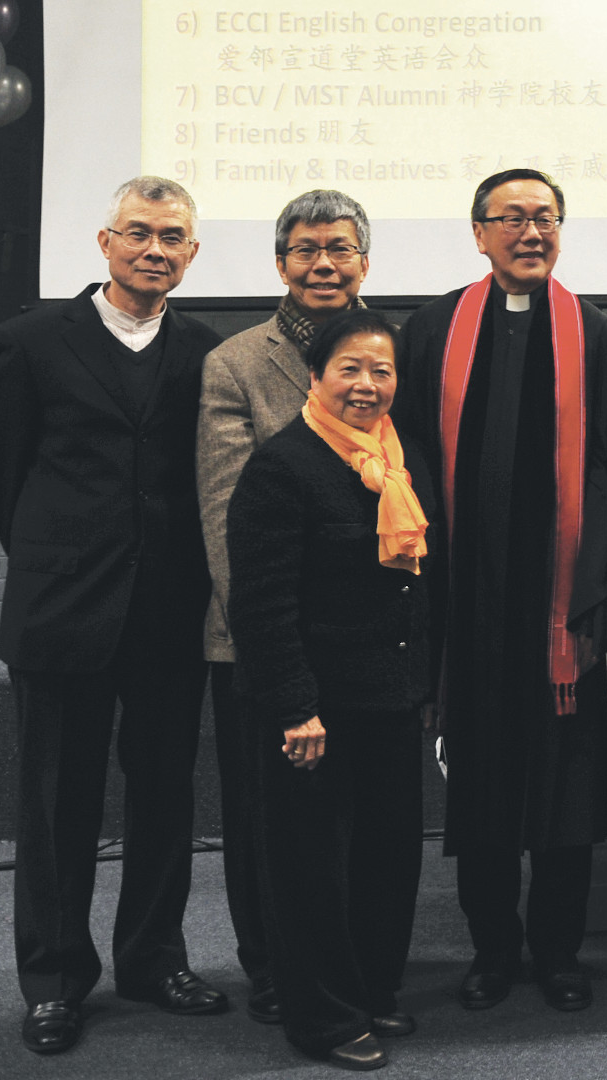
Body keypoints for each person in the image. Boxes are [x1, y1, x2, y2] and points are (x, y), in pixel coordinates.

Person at [0, 176, 226, 1054]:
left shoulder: (206, 350)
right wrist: (60, 561)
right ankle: (53, 978)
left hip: (170, 616)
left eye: (173, 239)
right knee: (54, 806)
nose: (155, 250)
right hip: (62, 612)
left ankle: (153, 958)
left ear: (192, 255)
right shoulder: (32, 340)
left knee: (164, 799)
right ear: (105, 241)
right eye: (140, 233)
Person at [394, 169, 607, 1013]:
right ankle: (493, 950)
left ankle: (559, 953)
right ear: (478, 231)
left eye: (546, 218)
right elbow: (411, 455)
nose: (532, 232)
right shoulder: (430, 330)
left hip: (562, 612)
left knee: (564, 798)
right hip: (471, 608)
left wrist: (594, 592)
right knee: (486, 796)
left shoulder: (598, 336)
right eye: (513, 218)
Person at [227, 310, 438, 1071]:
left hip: (387, 698)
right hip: (314, 709)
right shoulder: (283, 466)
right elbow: (260, 604)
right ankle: (322, 1017)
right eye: (350, 368)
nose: (367, 384)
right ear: (315, 378)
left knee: (387, 859)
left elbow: (415, 589)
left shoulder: (393, 460)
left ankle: (374, 991)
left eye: (382, 371)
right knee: (311, 867)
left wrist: (422, 688)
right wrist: (294, 707)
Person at [196, 189, 374, 1024]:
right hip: (268, 643)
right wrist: (275, 653)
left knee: (357, 829)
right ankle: (271, 969)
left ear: (364, 262)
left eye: (339, 249)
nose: (324, 264)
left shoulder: (386, 356)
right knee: (268, 823)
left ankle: (353, 971)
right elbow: (226, 519)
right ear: (280, 263)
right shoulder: (235, 363)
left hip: (367, 647)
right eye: (306, 250)